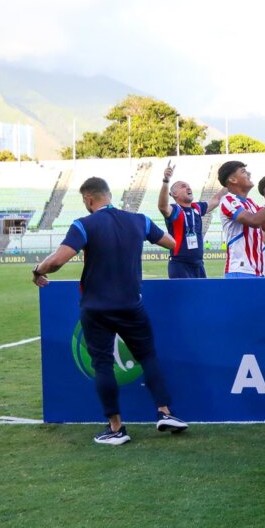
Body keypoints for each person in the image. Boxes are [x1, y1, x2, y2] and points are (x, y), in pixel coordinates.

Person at [31, 177, 188, 445]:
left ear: (89, 199)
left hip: (96, 307)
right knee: (148, 356)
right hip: (130, 304)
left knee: (103, 364)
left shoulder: (84, 224)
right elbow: (172, 244)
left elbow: (57, 261)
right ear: (109, 194)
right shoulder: (140, 220)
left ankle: (116, 428)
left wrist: (38, 270)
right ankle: (164, 412)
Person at [217, 160, 265, 278]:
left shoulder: (250, 202)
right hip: (240, 270)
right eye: (243, 171)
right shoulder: (228, 200)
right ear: (233, 180)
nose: (249, 174)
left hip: (257, 271)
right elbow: (254, 221)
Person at [156, 162, 223, 279]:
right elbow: (162, 207)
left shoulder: (196, 208)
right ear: (174, 194)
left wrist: (228, 183)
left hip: (198, 264)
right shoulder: (175, 209)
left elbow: (216, 200)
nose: (188, 187)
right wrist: (166, 181)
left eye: (188, 186)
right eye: (183, 186)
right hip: (179, 264)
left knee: (202, 297)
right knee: (184, 297)